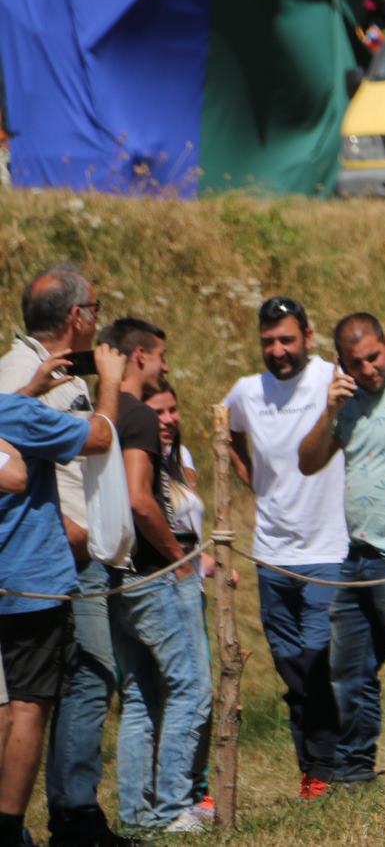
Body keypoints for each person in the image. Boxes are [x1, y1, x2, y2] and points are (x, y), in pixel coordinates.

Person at [0, 265, 132, 847]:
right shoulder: (15, 390)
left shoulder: (15, 388)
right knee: (32, 704)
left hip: (37, 565)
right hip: (38, 570)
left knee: (22, 700)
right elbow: (98, 437)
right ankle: (31, 824)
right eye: (96, 309)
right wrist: (109, 380)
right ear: (77, 317)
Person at [224, 296, 349, 799]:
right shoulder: (246, 391)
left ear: (308, 337)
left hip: (328, 546)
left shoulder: (330, 379)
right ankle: (314, 769)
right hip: (271, 551)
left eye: (287, 340)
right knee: (290, 665)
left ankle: (331, 766)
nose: (277, 350)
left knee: (319, 660)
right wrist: (250, 476)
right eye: (268, 341)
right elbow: (230, 433)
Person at [297, 313, 385, 789]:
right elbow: (307, 462)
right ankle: (353, 772)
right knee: (349, 671)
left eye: (375, 356)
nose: (369, 368)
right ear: (340, 362)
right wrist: (329, 411)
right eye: (357, 362)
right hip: (358, 554)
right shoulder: (343, 404)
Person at [101, 319, 212, 835]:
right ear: (139, 355)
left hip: (116, 576)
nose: (166, 366)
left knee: (143, 694)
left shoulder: (101, 413)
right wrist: (179, 558)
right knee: (191, 688)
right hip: (154, 573)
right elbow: (141, 499)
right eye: (161, 356)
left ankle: (136, 813)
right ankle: (173, 810)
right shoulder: (139, 416)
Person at [143, 379, 226, 826]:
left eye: (173, 410)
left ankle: (198, 790)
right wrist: (181, 562)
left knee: (199, 696)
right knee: (169, 696)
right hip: (159, 589)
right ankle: (166, 799)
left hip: (189, 587)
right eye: (158, 412)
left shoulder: (181, 459)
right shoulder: (139, 459)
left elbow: (186, 523)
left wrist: (206, 558)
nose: (170, 420)